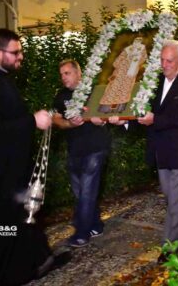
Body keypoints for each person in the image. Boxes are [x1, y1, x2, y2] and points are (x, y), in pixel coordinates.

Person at [0, 29, 69, 286]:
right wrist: (32, 121)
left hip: (9, 171)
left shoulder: (1, 79)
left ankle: (32, 265)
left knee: (23, 219)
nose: (21, 56)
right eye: (15, 52)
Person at [137, 40, 178, 262]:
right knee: (170, 193)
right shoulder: (155, 82)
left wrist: (156, 119)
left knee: (174, 199)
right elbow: (142, 108)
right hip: (162, 150)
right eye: (162, 60)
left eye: (169, 61)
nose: (164, 65)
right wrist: (125, 119)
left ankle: (170, 246)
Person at [52, 60, 111, 248]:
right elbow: (56, 119)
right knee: (80, 193)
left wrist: (100, 119)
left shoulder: (94, 92)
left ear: (79, 74)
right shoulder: (61, 95)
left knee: (86, 191)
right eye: (61, 74)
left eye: (67, 73)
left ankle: (82, 233)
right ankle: (96, 225)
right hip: (74, 150)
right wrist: (69, 123)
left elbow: (108, 113)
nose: (63, 77)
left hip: (96, 148)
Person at [98, 37, 147, 113]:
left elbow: (143, 58)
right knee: (113, 88)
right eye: (136, 40)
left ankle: (119, 109)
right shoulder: (128, 48)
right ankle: (106, 108)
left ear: (141, 42)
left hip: (130, 73)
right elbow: (120, 58)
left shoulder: (142, 49)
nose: (137, 41)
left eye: (139, 40)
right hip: (121, 71)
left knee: (124, 90)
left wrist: (136, 61)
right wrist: (118, 64)